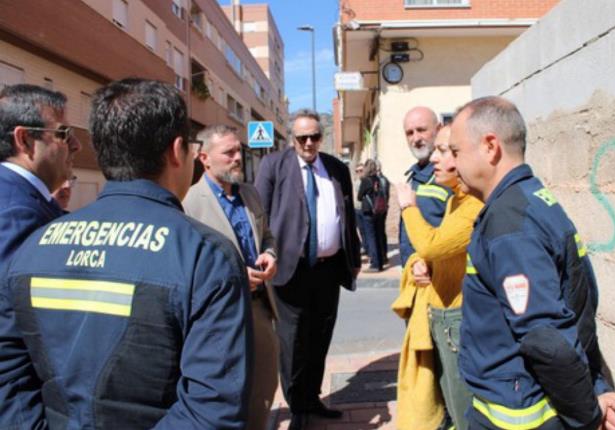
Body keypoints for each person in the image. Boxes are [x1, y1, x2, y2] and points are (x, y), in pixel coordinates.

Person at [0, 78, 253, 429]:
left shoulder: (34, 245)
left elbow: (9, 377)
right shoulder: (206, 254)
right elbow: (212, 410)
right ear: (177, 150)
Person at [451, 96, 615, 430]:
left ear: (490, 146)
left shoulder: (509, 226)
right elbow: (573, 311)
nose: (451, 164)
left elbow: (546, 338)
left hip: (516, 416)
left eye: (456, 151)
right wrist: (595, 387)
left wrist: (588, 416)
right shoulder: (532, 201)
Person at [255, 108, 360, 430]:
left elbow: (348, 218)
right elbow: (260, 214)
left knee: (319, 336)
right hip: (291, 269)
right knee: (291, 341)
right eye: (303, 137)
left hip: (328, 269)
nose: (310, 143)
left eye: (315, 136)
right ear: (292, 138)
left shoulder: (337, 169)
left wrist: (353, 260)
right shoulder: (273, 165)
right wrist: (265, 253)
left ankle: (312, 397)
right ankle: (296, 404)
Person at [183, 124, 279, 430]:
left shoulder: (250, 194)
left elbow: (268, 236)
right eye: (229, 152)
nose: (238, 158)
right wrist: (237, 275)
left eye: (239, 150)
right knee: (227, 398)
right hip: (219, 318)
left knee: (264, 388)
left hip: (260, 309)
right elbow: (188, 267)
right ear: (204, 158)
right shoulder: (187, 203)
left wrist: (270, 254)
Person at [394, 125, 482, 430]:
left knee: (460, 408)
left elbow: (433, 242)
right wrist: (421, 263)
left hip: (455, 319)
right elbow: (437, 248)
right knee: (447, 400)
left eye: (444, 151)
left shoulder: (473, 205)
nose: (435, 157)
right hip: (440, 313)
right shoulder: (454, 199)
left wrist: (407, 206)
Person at [0, 84, 80, 271]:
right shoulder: (17, 214)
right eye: (64, 134)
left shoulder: (23, 197)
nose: (76, 145)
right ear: (25, 139)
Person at [399, 106, 451, 267]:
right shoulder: (414, 175)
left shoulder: (451, 176)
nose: (416, 138)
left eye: (421, 130)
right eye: (410, 133)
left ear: (439, 129)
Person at [357, 159, 386, 271]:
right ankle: (380, 263)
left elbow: (359, 196)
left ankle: (374, 264)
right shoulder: (378, 180)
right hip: (378, 210)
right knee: (378, 236)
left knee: (370, 237)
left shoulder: (365, 180)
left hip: (368, 211)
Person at [375, 159, 390, 263]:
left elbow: (381, 195)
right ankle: (383, 255)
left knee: (378, 232)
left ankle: (382, 256)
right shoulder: (385, 179)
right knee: (381, 232)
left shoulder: (379, 180)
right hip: (384, 207)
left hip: (379, 208)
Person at [353, 163, 369, 256]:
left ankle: (367, 247)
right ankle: (364, 246)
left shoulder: (366, 181)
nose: (359, 172)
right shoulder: (356, 181)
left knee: (365, 229)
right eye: (357, 171)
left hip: (364, 208)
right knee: (361, 229)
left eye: (361, 170)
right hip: (356, 208)